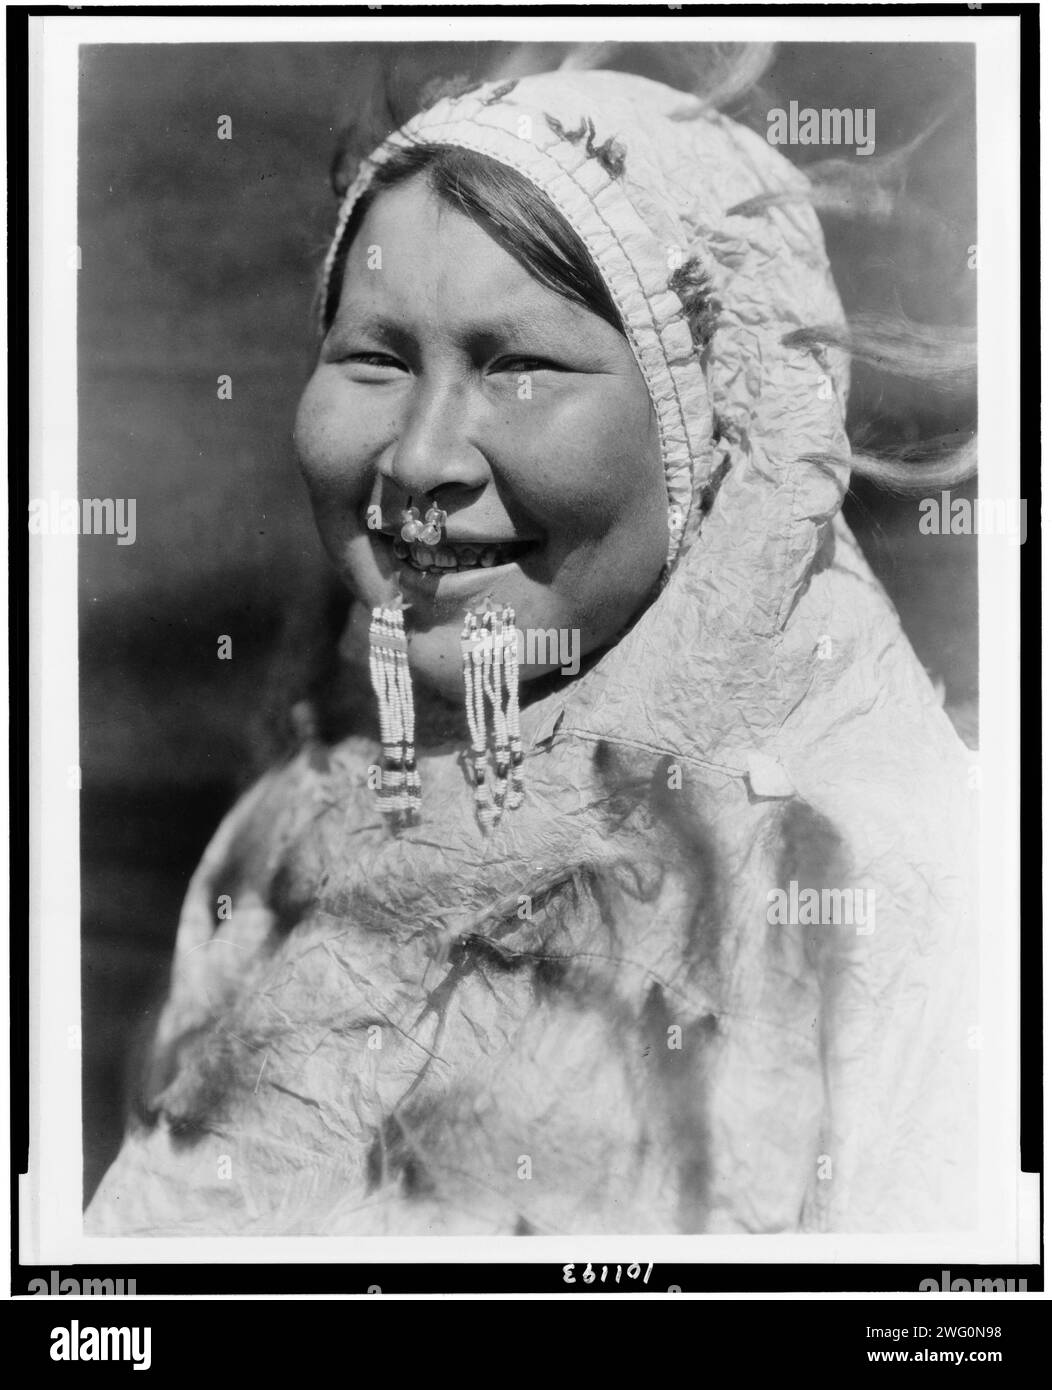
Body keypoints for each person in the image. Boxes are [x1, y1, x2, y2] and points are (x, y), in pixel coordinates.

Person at [86, 60, 977, 1236]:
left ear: (712, 422)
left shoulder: (892, 899)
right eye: (375, 359)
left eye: (518, 365)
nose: (417, 460)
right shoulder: (288, 837)